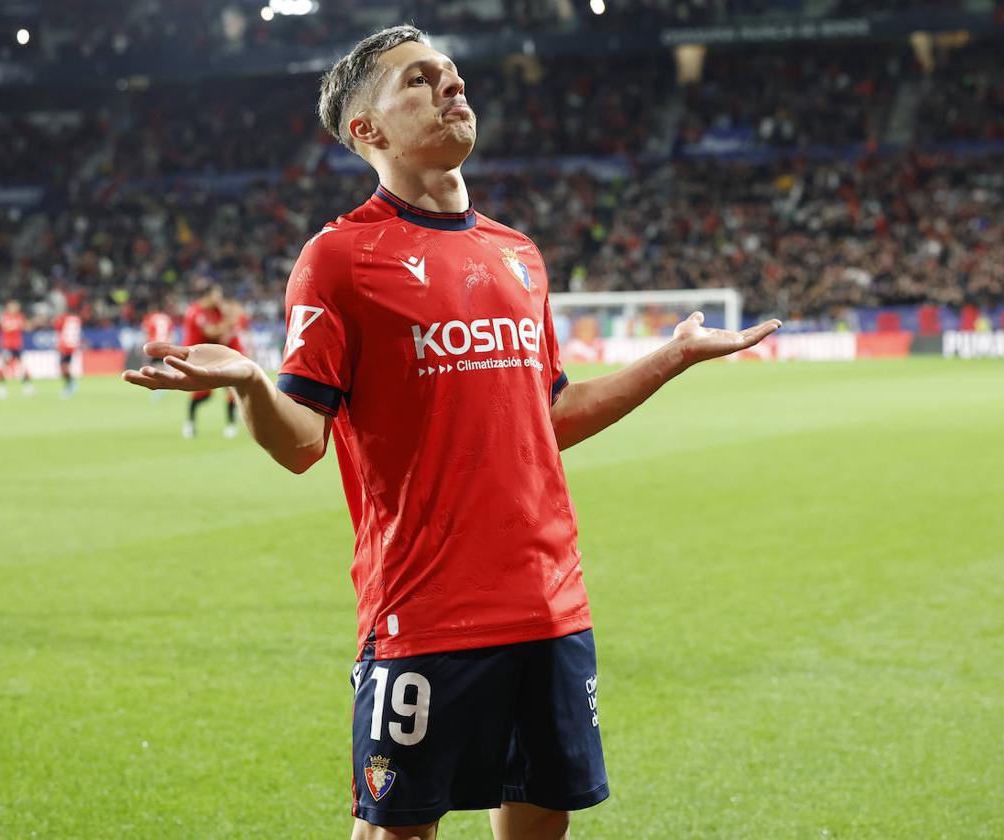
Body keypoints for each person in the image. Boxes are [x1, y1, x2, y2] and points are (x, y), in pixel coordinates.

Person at [122, 24, 780, 840]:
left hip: (548, 604)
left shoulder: (519, 256)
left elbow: (550, 420)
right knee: (399, 829)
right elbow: (301, 443)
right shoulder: (339, 259)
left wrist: (674, 356)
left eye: (454, 75)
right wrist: (255, 382)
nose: (451, 88)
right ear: (367, 129)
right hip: (423, 610)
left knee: (543, 820)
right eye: (420, 81)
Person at [179, 284, 243, 438]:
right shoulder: (196, 312)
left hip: (213, 356)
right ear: (208, 296)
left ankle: (231, 425)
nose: (219, 299)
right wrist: (230, 321)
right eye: (217, 295)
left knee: (232, 388)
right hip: (196, 357)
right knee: (203, 394)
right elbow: (212, 332)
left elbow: (233, 316)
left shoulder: (216, 311)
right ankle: (190, 423)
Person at [0, 300, 33, 398]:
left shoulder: (20, 316)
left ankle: (27, 386)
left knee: (22, 366)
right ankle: (0, 387)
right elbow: (6, 326)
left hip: (17, 345)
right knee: (4, 366)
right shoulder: (5, 316)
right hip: (7, 346)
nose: (14, 308)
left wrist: (28, 325)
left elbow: (27, 327)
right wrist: (17, 326)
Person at [53, 308, 83, 398]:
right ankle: (70, 384)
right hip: (72, 346)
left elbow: (58, 328)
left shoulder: (64, 319)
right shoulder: (77, 320)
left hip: (65, 345)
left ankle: (70, 385)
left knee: (63, 366)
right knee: (65, 366)